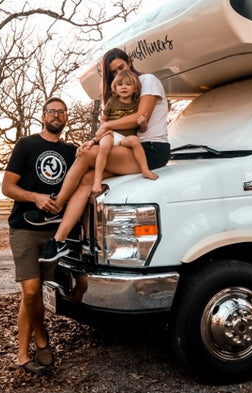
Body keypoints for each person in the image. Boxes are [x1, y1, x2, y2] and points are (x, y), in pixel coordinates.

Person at [31, 48, 170, 262]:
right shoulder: (118, 96)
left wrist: (106, 126)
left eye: (121, 68)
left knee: (85, 157)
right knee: (87, 177)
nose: (118, 76)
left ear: (130, 62)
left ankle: (57, 205)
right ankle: (58, 242)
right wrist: (94, 139)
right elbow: (111, 129)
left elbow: (139, 118)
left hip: (151, 149)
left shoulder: (147, 80)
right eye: (113, 74)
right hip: (125, 146)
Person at [1, 97, 76, 376]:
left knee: (33, 296)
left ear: (66, 117)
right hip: (24, 229)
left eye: (62, 111)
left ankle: (23, 355)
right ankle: (42, 340)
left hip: (56, 235)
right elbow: (7, 186)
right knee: (31, 292)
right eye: (52, 111)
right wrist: (35, 197)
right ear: (43, 116)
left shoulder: (71, 152)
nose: (57, 115)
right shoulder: (26, 145)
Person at [92, 69, 158, 193]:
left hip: (125, 138)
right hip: (111, 134)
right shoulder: (112, 102)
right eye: (120, 84)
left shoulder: (137, 104)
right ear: (115, 88)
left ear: (135, 89)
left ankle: (145, 170)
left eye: (128, 84)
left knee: (135, 140)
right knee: (104, 145)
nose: (124, 87)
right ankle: (97, 179)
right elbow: (104, 119)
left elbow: (143, 129)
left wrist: (143, 123)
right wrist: (103, 131)